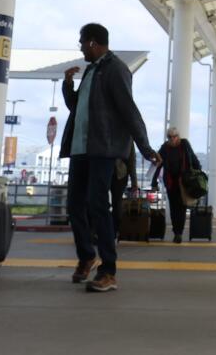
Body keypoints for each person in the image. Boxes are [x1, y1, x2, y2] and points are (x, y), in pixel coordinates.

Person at [61, 23, 159, 292]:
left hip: (103, 150)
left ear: (93, 42)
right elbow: (76, 107)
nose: (80, 46)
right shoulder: (93, 70)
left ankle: (108, 271)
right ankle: (87, 256)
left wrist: (145, 147)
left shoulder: (115, 69)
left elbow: (128, 109)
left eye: (82, 42)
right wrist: (68, 85)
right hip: (81, 149)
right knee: (74, 206)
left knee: (97, 205)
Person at [150, 126, 202, 244]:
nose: (172, 139)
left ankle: (179, 232)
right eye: (170, 137)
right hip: (170, 182)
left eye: (174, 136)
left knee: (182, 206)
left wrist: (198, 175)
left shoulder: (184, 145)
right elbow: (158, 165)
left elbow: (193, 159)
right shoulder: (165, 148)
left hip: (184, 181)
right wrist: (154, 182)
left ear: (178, 136)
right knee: (173, 207)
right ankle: (176, 232)